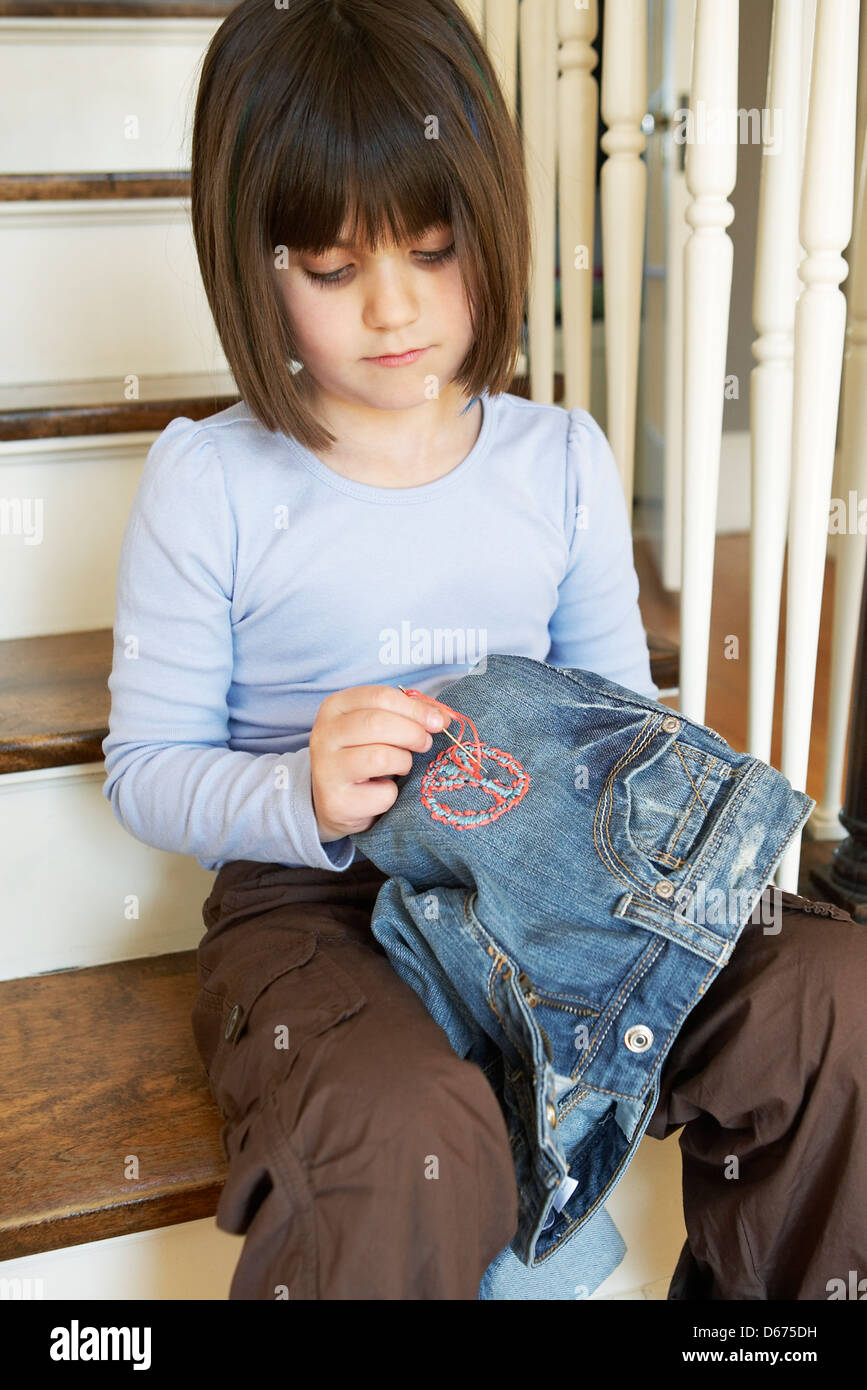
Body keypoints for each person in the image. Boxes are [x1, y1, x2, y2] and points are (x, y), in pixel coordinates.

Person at [102, 0, 866, 1300]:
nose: (393, 310)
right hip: (320, 909)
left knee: (835, 995)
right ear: (251, 259)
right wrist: (296, 791)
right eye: (333, 270)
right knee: (400, 1129)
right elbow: (146, 766)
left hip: (565, 878)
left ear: (490, 225)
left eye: (435, 249)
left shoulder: (556, 458)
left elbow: (621, 719)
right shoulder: (211, 480)